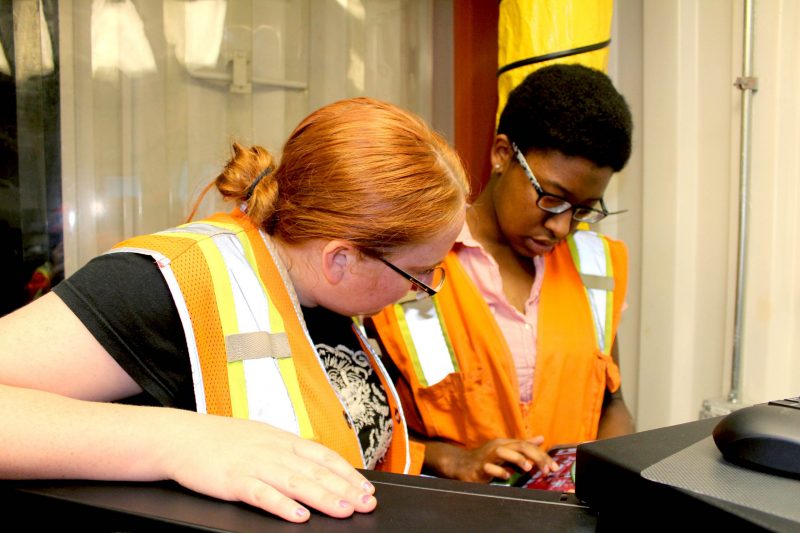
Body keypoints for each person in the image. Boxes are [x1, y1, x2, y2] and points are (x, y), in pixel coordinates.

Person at [0, 97, 469, 522]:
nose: (425, 288)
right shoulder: (166, 283)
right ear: (340, 259)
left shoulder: (334, 300)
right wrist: (178, 440)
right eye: (419, 272)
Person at [369, 64, 636, 483]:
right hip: (448, 513)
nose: (562, 227)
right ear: (502, 155)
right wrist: (452, 460)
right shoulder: (407, 260)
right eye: (552, 199)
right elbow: (365, 430)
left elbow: (612, 404)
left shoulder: (595, 267)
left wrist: (610, 480)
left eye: (584, 210)